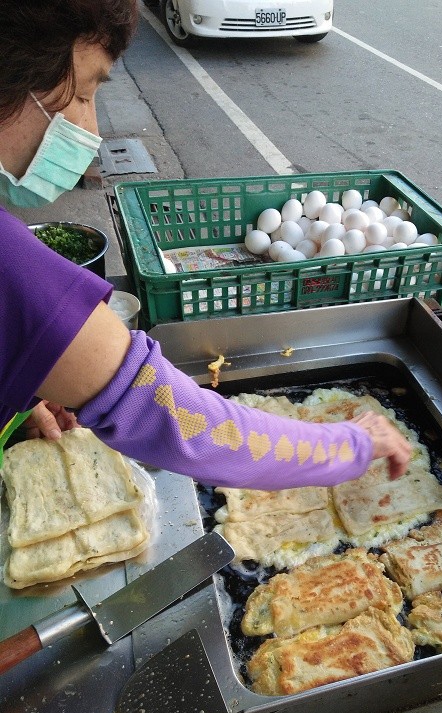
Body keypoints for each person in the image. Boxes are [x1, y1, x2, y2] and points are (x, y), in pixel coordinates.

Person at [0, 0, 411, 490]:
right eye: (86, 91)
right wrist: (352, 443)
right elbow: (182, 420)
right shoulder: (11, 268)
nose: (91, 132)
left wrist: (20, 397)